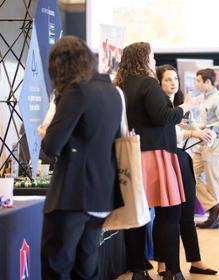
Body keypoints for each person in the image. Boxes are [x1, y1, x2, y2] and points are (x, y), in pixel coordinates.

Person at [115, 42, 202, 280]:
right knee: (169, 215)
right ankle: (172, 271)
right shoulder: (148, 83)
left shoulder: (120, 85)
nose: (154, 61)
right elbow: (164, 117)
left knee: (138, 216)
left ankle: (138, 270)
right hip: (156, 156)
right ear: (143, 58)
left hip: (132, 155)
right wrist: (186, 106)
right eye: (152, 57)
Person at [39, 36, 123, 279]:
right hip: (101, 196)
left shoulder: (77, 91)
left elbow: (52, 146)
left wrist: (47, 132)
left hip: (72, 196)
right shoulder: (113, 92)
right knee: (87, 267)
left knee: (57, 264)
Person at [155, 64, 218, 276]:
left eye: (175, 79)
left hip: (184, 159)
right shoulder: (159, 106)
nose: (173, 83)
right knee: (166, 215)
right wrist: (193, 134)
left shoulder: (181, 104)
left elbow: (190, 129)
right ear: (158, 83)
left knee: (187, 213)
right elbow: (169, 135)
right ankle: (163, 263)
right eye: (167, 80)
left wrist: (201, 132)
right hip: (166, 161)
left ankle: (195, 260)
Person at [193, 68, 219, 229]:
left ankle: (214, 219)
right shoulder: (202, 99)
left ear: (208, 82)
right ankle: (213, 206)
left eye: (198, 81)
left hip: (214, 143)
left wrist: (206, 128)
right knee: (190, 176)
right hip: (200, 144)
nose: (196, 84)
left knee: (211, 180)